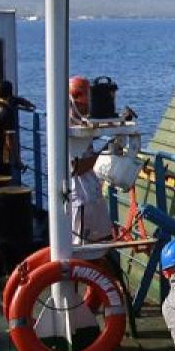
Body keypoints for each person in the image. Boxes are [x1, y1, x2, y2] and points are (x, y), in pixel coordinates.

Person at [67, 76, 112, 251]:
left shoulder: (77, 122)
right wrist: (103, 155)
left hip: (91, 194)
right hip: (80, 197)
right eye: (85, 103)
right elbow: (75, 168)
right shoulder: (67, 127)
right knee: (83, 248)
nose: (88, 107)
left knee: (103, 241)